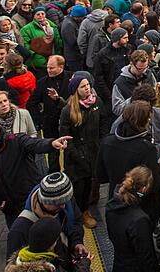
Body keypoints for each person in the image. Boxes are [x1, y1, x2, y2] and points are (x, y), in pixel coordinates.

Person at [0, 113, 71, 228]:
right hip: (11, 212)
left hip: (34, 203)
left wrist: (51, 144)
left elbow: (34, 144)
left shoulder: (15, 140)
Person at [5, 172, 88, 271]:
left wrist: (77, 242)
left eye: (65, 201)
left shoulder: (63, 198)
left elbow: (76, 221)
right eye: (58, 203)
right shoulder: (19, 231)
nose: (63, 206)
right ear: (45, 201)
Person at [58, 73, 101, 228]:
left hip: (93, 152)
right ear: (76, 90)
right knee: (79, 188)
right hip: (76, 158)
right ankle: (77, 213)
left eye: (88, 85)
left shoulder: (96, 104)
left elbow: (102, 125)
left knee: (89, 185)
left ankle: (85, 210)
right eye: (83, 86)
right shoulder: (68, 110)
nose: (87, 88)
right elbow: (65, 137)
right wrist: (78, 156)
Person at [105, 166, 158, 272]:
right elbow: (147, 257)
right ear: (143, 189)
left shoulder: (112, 205)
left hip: (119, 262)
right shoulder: (140, 220)